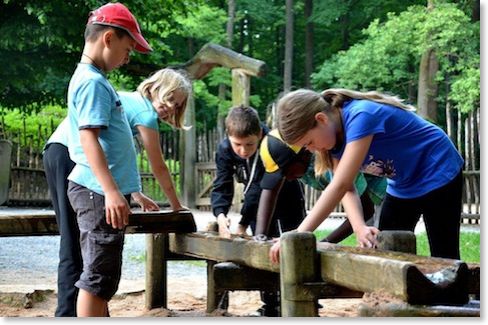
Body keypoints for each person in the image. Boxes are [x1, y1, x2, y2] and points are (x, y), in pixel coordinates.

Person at [43, 67, 191, 316]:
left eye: (176, 106)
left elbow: (117, 152)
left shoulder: (128, 100)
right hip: (70, 153)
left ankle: (94, 312)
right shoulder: (145, 113)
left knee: (86, 245)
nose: (170, 108)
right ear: (154, 88)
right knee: (75, 242)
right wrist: (176, 205)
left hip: (62, 152)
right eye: (169, 99)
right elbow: (158, 166)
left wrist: (134, 192)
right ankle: (68, 314)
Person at [269, 88, 464, 265]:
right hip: (403, 184)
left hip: (438, 169)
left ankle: (456, 298)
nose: (311, 150)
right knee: (386, 251)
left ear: (321, 119)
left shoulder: (361, 116)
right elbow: (349, 188)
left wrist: (298, 234)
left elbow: (339, 185)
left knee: (444, 254)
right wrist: (359, 227)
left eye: (309, 142)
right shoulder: (333, 142)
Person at [65, 2, 152, 317]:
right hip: (97, 191)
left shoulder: (92, 78)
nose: (127, 57)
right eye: (128, 48)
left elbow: (109, 144)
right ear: (108, 38)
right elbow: (89, 137)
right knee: (98, 279)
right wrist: (113, 191)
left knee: (103, 276)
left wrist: (130, 188)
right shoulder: (92, 82)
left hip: (99, 189)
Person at [210, 105, 306, 316]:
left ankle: (302, 304)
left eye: (249, 144)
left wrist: (242, 223)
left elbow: (257, 187)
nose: (243, 150)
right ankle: (270, 306)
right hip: (257, 208)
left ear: (260, 134)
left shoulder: (270, 144)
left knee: (291, 249)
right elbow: (222, 183)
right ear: (229, 136)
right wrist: (220, 215)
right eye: (238, 145)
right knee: (262, 246)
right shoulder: (225, 149)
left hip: (285, 198)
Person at [255, 128, 386, 243]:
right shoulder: (295, 161)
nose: (288, 178)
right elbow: (270, 191)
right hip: (365, 198)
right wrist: (260, 234)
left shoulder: (328, 160)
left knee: (385, 244)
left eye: (287, 172)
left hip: (386, 190)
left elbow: (365, 208)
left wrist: (325, 242)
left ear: (304, 154)